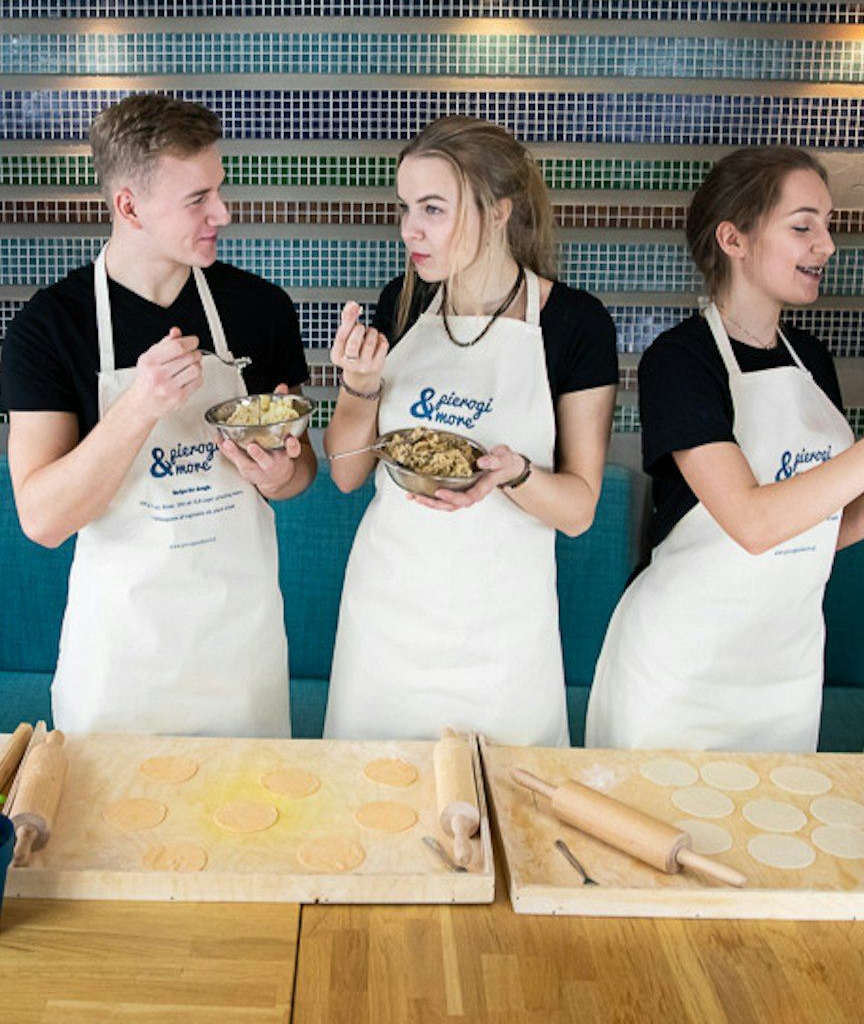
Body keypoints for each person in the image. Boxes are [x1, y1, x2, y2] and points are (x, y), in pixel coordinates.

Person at [585, 146, 864, 752]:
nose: (826, 246)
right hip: (683, 670)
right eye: (803, 226)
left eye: (827, 226)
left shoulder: (813, 361)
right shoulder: (680, 361)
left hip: (785, 672)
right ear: (735, 239)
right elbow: (752, 522)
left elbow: (826, 526)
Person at [0, 94, 314, 735]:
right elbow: (43, 519)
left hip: (240, 654)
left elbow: (299, 471)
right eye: (197, 198)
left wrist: (280, 474)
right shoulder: (48, 328)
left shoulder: (261, 308)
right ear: (129, 206)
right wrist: (138, 407)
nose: (221, 213)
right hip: (122, 665)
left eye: (218, 190)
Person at [322, 116, 618, 744]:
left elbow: (578, 510)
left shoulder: (575, 324)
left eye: (433, 208)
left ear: (498, 210)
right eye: (406, 207)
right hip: (388, 622)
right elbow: (348, 471)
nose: (410, 229)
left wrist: (516, 474)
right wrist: (359, 385)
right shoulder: (400, 303)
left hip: (503, 638)